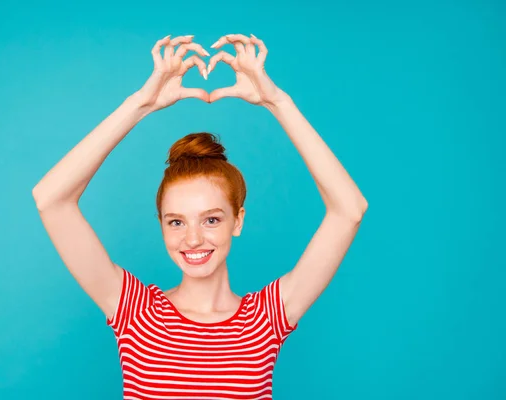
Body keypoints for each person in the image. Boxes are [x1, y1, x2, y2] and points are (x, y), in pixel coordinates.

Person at [32, 33, 368, 399]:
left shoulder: (266, 318)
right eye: (176, 221)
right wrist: (140, 105)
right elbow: (51, 198)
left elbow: (349, 210)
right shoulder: (135, 312)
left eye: (211, 219)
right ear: (161, 224)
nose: (192, 239)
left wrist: (277, 102)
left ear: (237, 221)